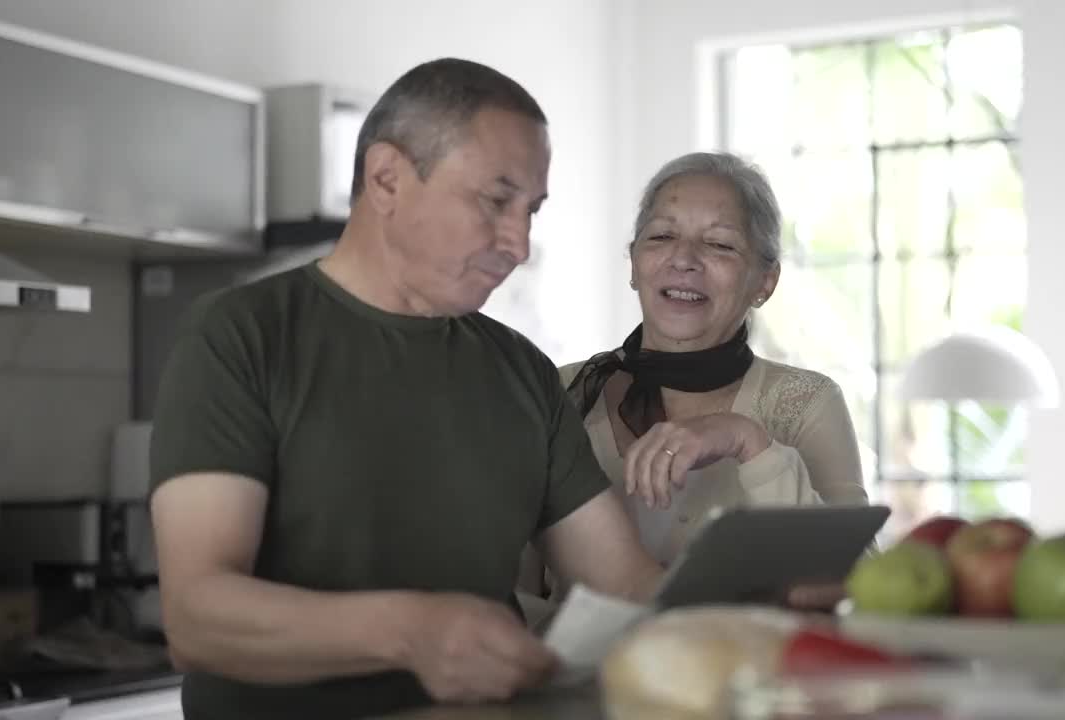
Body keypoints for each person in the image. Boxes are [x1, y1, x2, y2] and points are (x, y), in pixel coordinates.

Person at [147, 57, 666, 720]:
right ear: (387, 178)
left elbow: (623, 582)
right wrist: (412, 632)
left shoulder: (522, 373)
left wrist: (767, 607)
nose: (519, 242)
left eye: (531, 210)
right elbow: (197, 618)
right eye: (495, 199)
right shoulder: (241, 336)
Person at [553, 151, 870, 571]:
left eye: (720, 244)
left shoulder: (806, 401)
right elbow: (505, 589)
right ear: (633, 262)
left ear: (764, 282)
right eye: (662, 237)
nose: (683, 259)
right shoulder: (559, 391)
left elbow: (856, 576)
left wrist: (748, 442)